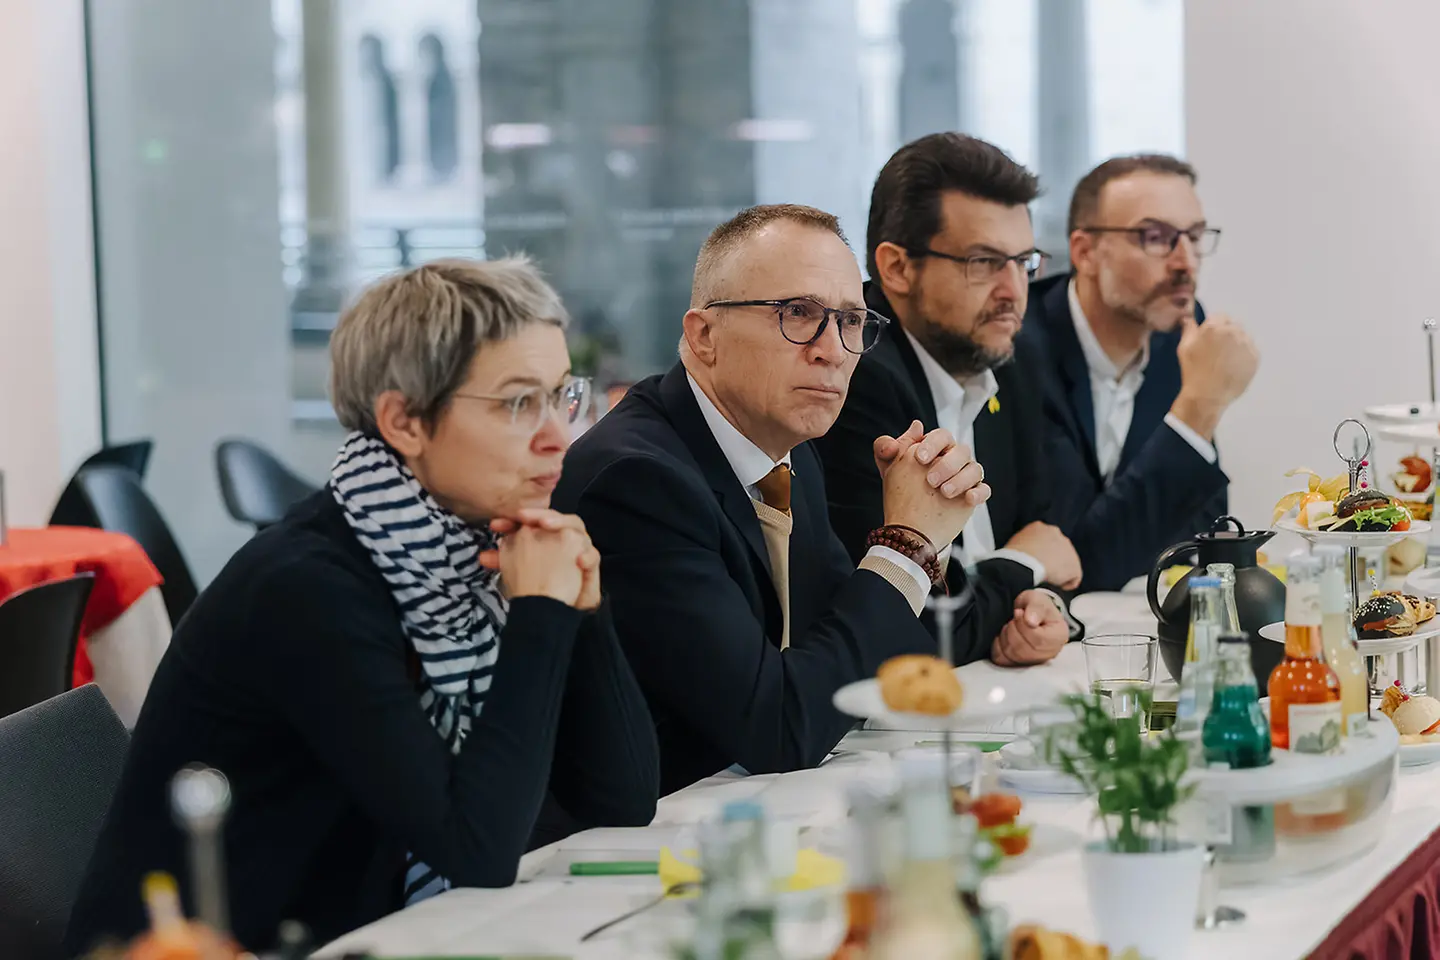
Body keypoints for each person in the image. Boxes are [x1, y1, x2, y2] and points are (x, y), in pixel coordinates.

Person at [65, 259, 659, 955]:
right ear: (404, 421)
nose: (559, 434)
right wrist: (542, 616)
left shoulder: (466, 561)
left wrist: (583, 609)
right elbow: (478, 850)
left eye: (564, 396)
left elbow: (623, 801)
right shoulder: (309, 588)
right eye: (518, 403)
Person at [552, 204, 992, 794]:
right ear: (702, 336)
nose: (832, 350)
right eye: (799, 314)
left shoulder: (785, 447)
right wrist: (907, 547)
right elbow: (780, 727)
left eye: (851, 321)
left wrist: (935, 558)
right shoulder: (637, 482)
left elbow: (852, 659)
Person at [816, 133, 1079, 665]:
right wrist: (1024, 568)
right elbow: (925, 626)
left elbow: (1049, 539)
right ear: (896, 268)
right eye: (983, 262)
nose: (1012, 291)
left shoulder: (1011, 356)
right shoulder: (856, 373)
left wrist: (1045, 603)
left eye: (1023, 262)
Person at [1018, 155, 1260, 591]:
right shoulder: (1019, 346)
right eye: (1156, 237)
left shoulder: (1180, 333)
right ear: (1085, 252)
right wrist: (1198, 409)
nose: (1186, 262)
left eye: (1194, 236)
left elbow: (1203, 532)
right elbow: (1079, 564)